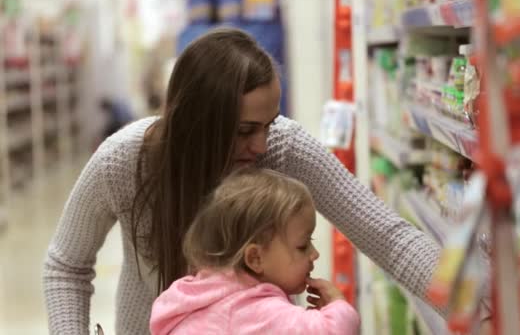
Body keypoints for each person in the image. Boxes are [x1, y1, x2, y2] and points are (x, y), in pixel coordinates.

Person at [42, 27, 443, 334]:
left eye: (268, 124)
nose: (261, 144)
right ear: (195, 123)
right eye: (244, 129)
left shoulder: (283, 149)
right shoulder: (124, 161)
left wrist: (476, 300)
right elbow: (66, 265)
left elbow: (387, 236)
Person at [149, 168, 360, 334]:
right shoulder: (253, 309)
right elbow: (333, 331)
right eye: (303, 246)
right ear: (255, 258)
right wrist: (337, 307)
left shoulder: (201, 295)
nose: (314, 254)